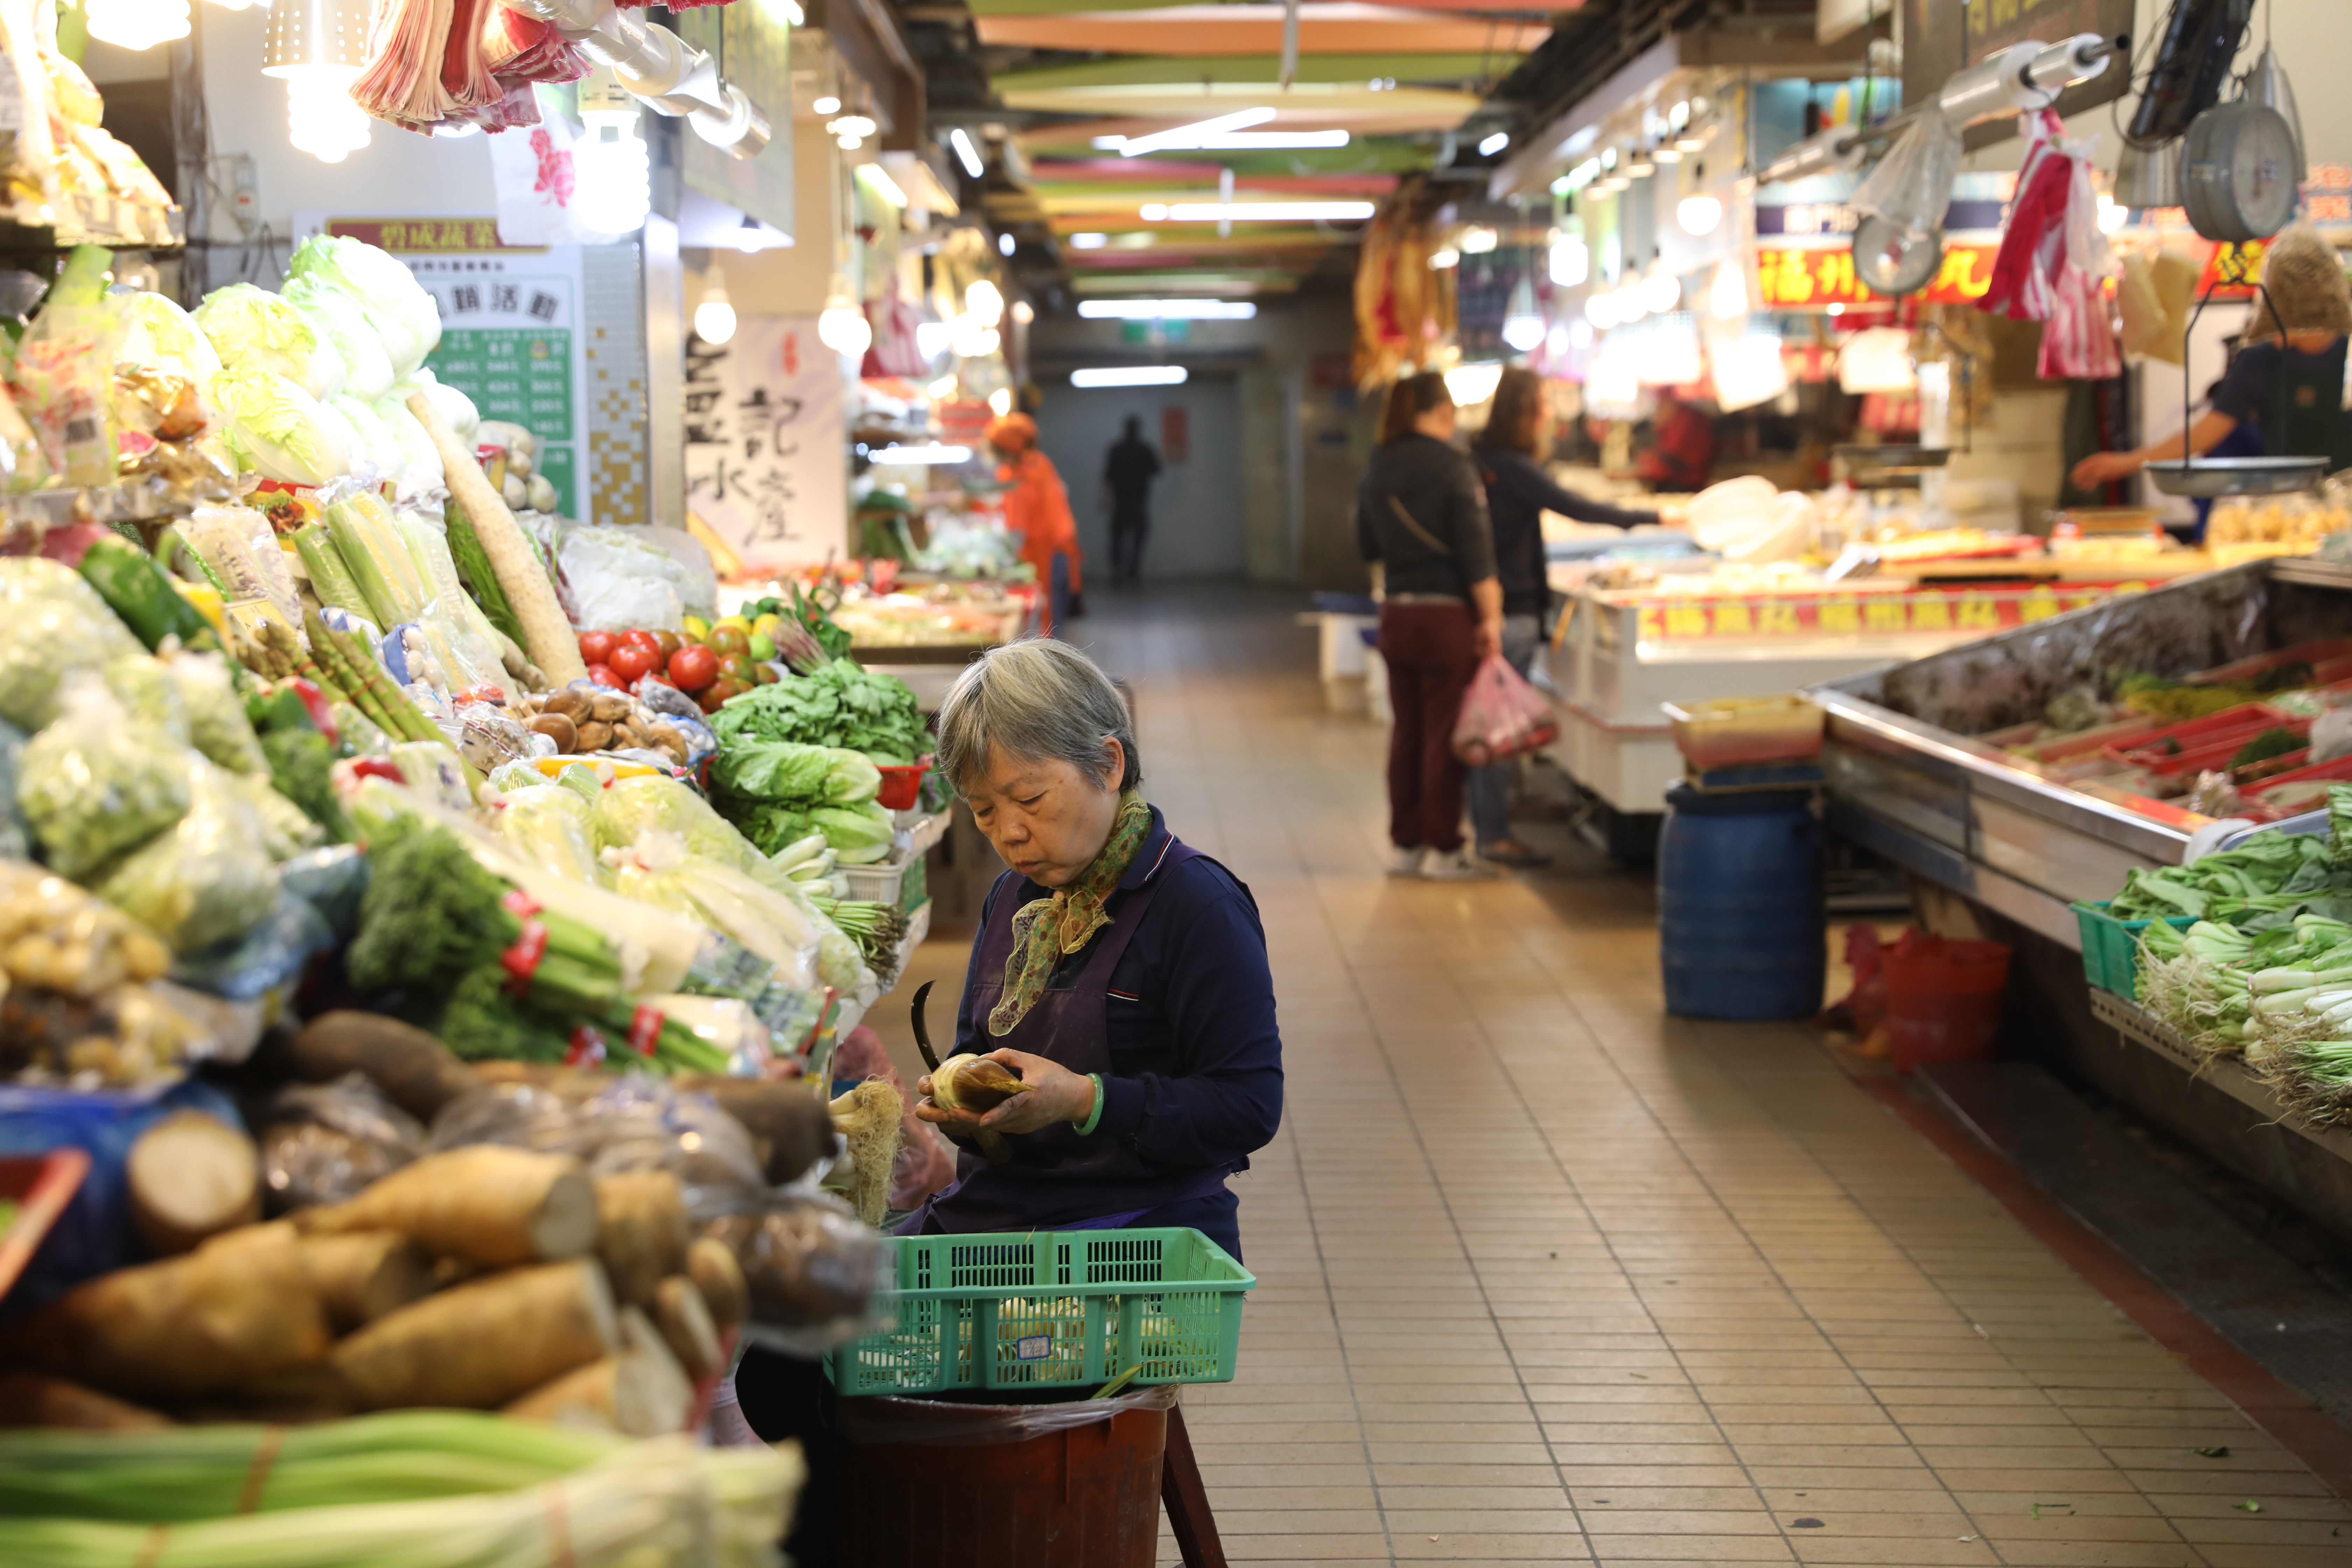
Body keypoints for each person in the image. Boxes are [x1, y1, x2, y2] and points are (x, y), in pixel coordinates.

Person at [902, 639, 1283, 1260]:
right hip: (1004, 1216)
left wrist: (1084, 1100)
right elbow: (976, 1048)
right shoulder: (1012, 898)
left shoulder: (1197, 903)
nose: (1011, 832)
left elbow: (1249, 1107)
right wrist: (965, 1102)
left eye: (1029, 800)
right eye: (984, 811)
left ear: (1108, 764)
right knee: (796, 1339)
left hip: (1141, 1235)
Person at [1469, 367, 1659, 867]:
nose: (1552, 415)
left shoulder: (1485, 460)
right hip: (1510, 609)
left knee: (1496, 720)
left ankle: (1499, 814)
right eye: (1545, 404)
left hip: (1501, 606)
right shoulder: (1510, 465)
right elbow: (1573, 506)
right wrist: (1653, 518)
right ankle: (1493, 831)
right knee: (1496, 724)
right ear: (1525, 412)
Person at [2071, 222, 2352, 494]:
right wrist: (2128, 462)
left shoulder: (2348, 353)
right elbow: (2207, 431)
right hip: (2289, 504)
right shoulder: (2259, 361)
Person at [1356, 370, 1502, 882]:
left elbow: (1368, 545)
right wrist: (1491, 617)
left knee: (1408, 733)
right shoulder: (1454, 466)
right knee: (1444, 735)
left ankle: (1406, 844)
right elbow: (1477, 554)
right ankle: (1444, 848)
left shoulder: (1379, 464)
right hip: (1447, 619)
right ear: (1445, 412)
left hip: (1398, 614)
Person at [987, 412, 1083, 636]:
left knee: (1048, 631)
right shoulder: (1039, 463)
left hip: (1048, 555)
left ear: (1007, 451)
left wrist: (1005, 559)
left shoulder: (1021, 476)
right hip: (1059, 551)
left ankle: (1050, 671)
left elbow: (1017, 530)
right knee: (1053, 623)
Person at [1101, 415, 1163, 585]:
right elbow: (1156, 470)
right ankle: (1133, 574)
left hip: (1121, 502)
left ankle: (1118, 574)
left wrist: (1104, 499)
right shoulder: (1144, 449)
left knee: (1118, 540)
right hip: (1138, 502)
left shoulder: (1117, 449)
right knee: (1137, 540)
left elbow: (1108, 477)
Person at [1635, 391, 1717, 492]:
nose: (1657, 410)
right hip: (1682, 483)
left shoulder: (1687, 420)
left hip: (1685, 486)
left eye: (1660, 404)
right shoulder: (1680, 419)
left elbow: (1671, 461)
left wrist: (1645, 468)